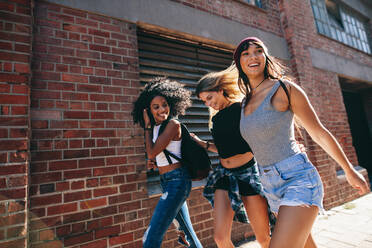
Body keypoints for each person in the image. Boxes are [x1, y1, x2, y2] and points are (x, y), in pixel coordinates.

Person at [233, 36, 369, 248]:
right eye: (246, 53)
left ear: (266, 56)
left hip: (298, 178)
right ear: (239, 62)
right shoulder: (244, 102)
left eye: (258, 50)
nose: (253, 56)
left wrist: (349, 169)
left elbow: (319, 133)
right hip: (269, 184)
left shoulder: (284, 89)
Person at [191, 65, 271, 248]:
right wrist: (200, 143)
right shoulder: (216, 119)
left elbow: (263, 133)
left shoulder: (242, 109)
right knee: (220, 238)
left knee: (263, 237)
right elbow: (224, 149)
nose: (208, 104)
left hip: (248, 174)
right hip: (224, 175)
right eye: (204, 101)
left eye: (209, 98)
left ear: (220, 90)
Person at [131, 78, 202, 248]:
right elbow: (156, 154)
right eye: (156, 107)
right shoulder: (157, 128)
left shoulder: (172, 124)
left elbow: (151, 151)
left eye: (164, 104)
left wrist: (147, 127)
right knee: (187, 235)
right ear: (148, 110)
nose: (162, 109)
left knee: (150, 238)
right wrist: (156, 163)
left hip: (177, 182)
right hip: (167, 181)